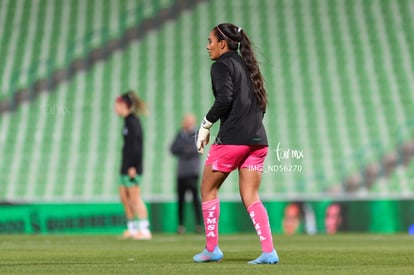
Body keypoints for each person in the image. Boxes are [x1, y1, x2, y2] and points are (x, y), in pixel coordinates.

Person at [193, 23, 279, 264]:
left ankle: (212, 249)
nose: (207, 46)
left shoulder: (221, 66)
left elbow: (224, 97)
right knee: (251, 195)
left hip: (232, 139)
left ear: (222, 43)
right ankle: (269, 251)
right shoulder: (247, 65)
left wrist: (205, 125)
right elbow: (260, 104)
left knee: (207, 189)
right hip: (258, 141)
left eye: (210, 41)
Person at [114, 91, 151, 240]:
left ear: (124, 105)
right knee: (125, 197)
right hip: (125, 166)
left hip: (132, 167)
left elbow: (136, 146)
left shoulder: (133, 121)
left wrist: (133, 166)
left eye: (117, 105)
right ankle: (132, 228)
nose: (115, 108)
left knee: (135, 198)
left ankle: (144, 229)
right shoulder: (127, 121)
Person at [170, 114, 203, 234]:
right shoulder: (179, 134)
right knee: (180, 201)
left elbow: (196, 148)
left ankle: (199, 225)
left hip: (193, 172)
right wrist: (186, 147)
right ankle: (181, 226)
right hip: (181, 172)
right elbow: (172, 149)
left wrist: (183, 148)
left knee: (195, 200)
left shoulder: (198, 133)